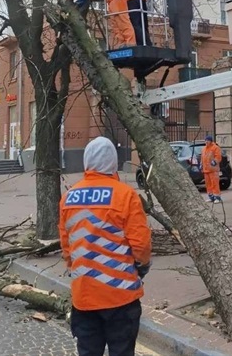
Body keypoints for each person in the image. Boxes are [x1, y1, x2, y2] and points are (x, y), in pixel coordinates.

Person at [59, 136, 152, 356]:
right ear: (113, 162)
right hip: (120, 297)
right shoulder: (125, 195)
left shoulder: (69, 198)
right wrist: (142, 267)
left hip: (84, 297)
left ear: (86, 161)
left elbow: (67, 247)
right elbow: (141, 244)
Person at [201, 135, 222, 202]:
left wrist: (215, 161)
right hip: (206, 169)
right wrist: (201, 164)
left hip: (213, 169)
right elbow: (202, 157)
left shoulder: (215, 148)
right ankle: (211, 196)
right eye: (206, 140)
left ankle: (217, 197)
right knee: (208, 184)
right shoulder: (204, 148)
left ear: (211, 141)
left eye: (208, 140)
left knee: (214, 183)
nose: (206, 142)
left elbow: (218, 157)